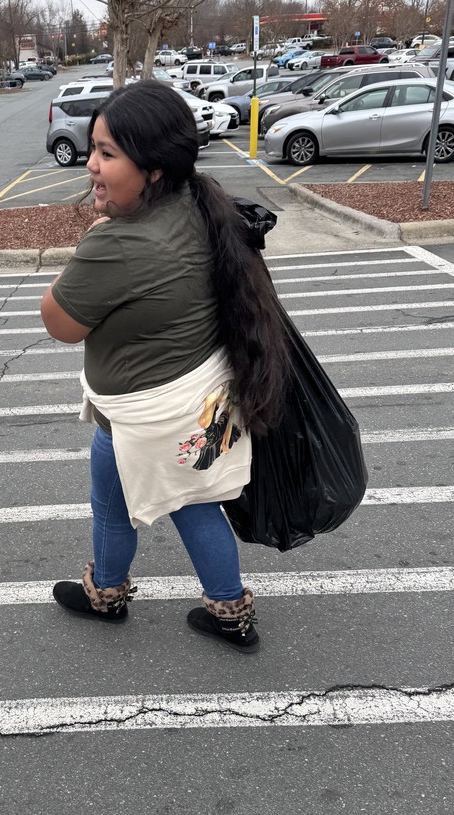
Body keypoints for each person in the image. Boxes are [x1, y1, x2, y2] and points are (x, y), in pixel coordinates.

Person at [40, 79, 289, 652]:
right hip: (198, 404)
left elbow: (59, 323)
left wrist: (95, 236)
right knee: (194, 504)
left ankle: (108, 595)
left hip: (144, 419)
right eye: (93, 148)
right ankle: (228, 611)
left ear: (152, 169)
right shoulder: (198, 202)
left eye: (108, 153)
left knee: (116, 508)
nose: (91, 166)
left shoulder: (120, 243)